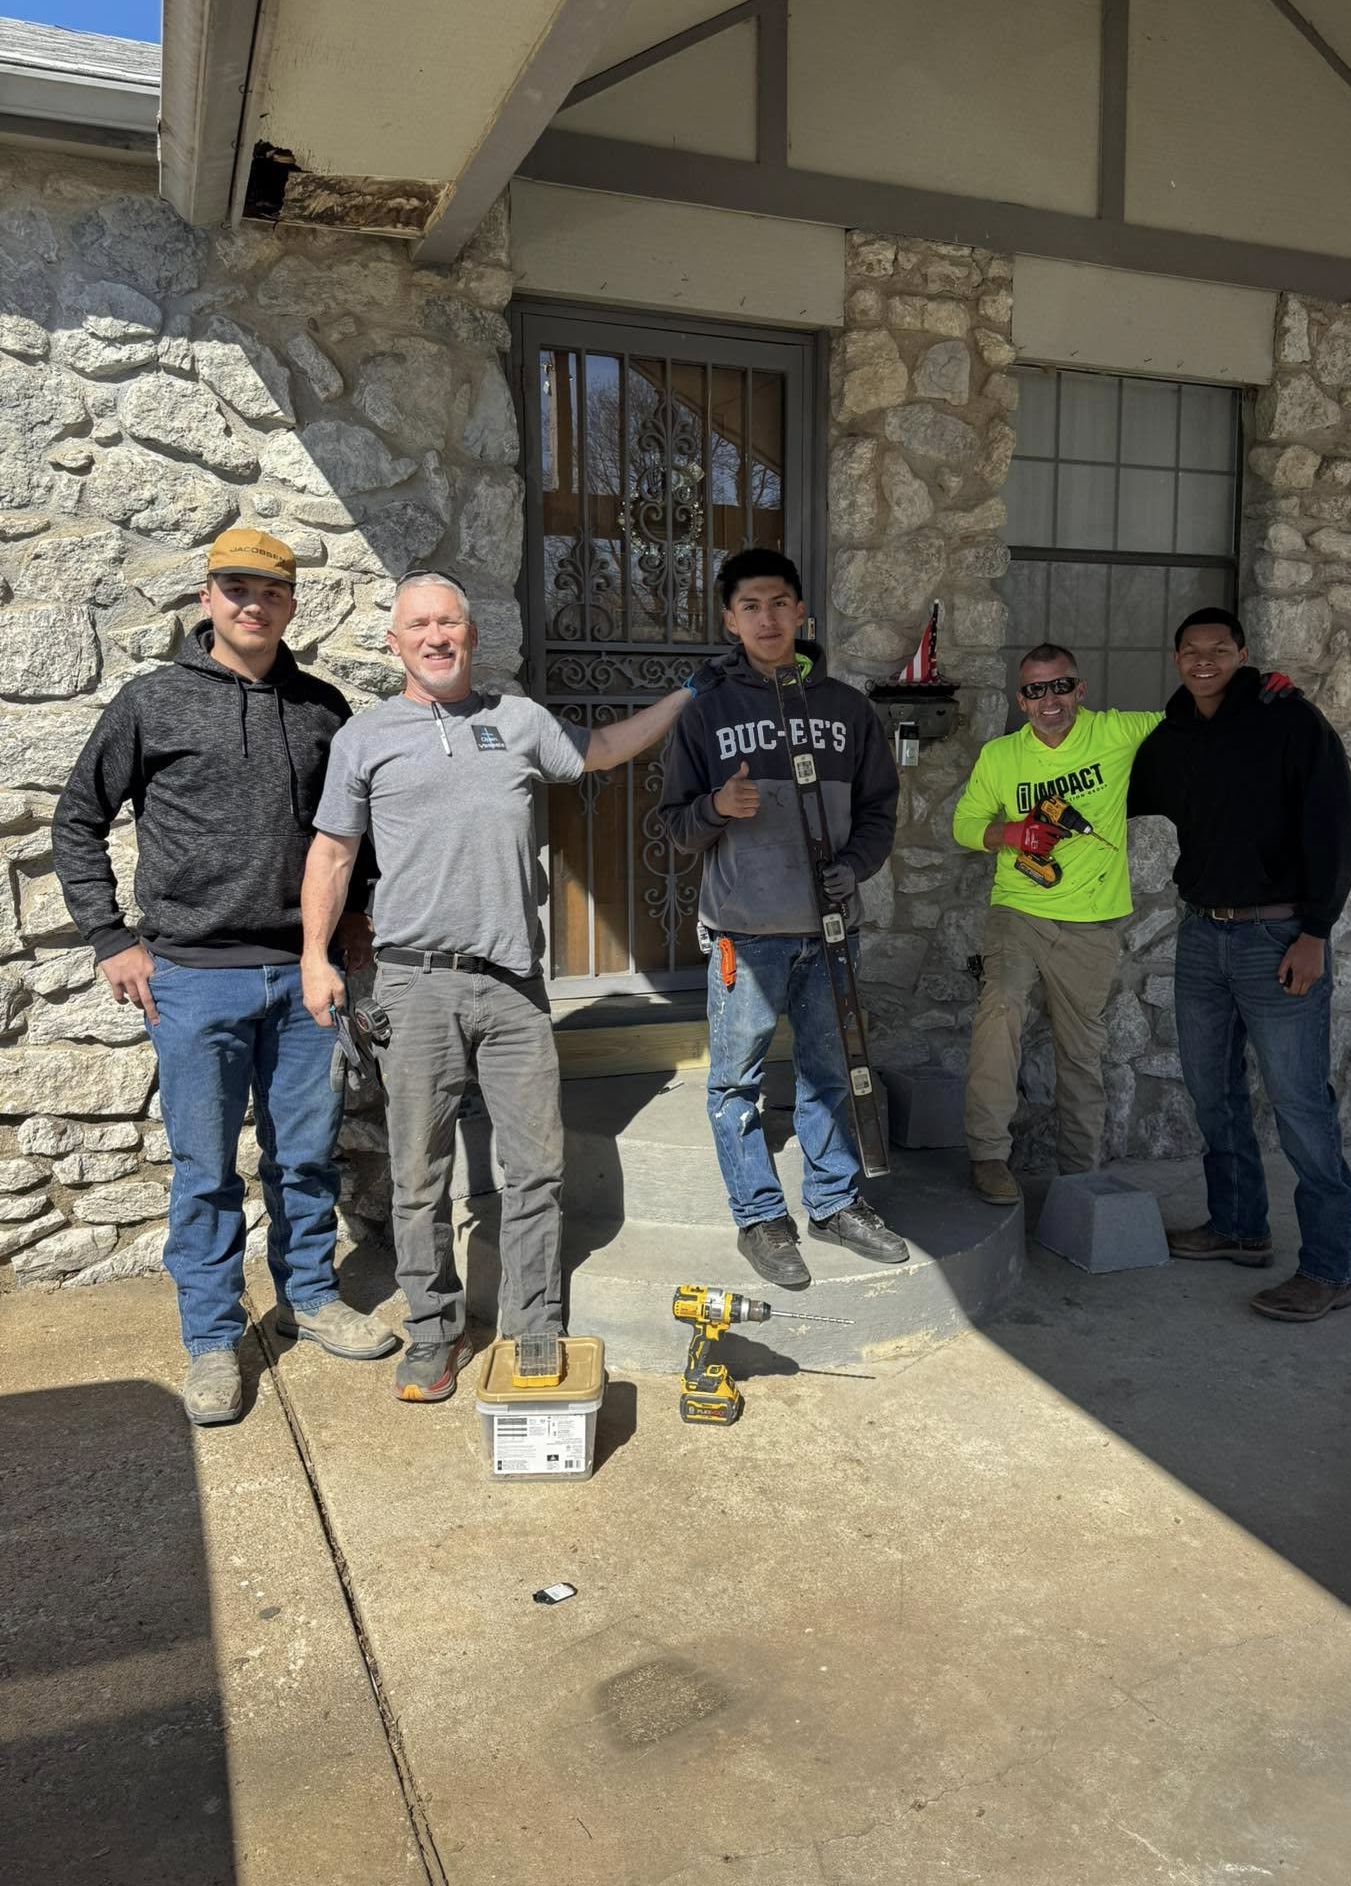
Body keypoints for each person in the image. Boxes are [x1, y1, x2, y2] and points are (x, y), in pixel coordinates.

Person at [300, 571, 721, 1403]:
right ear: (395, 643)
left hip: (515, 990)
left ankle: (533, 1326)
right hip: (416, 987)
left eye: (449, 622)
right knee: (419, 1175)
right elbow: (334, 852)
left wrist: (684, 694)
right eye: (418, 625)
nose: (435, 636)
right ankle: (434, 1334)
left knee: (536, 1169)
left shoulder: (519, 719)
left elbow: (599, 751)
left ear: (472, 635)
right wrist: (316, 955)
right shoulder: (366, 736)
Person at [54, 527, 391, 1428]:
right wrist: (110, 938)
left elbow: (351, 833)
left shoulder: (323, 708)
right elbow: (77, 820)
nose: (253, 603)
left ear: (290, 604)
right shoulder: (151, 702)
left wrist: (353, 910)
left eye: (271, 591)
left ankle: (311, 1298)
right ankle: (211, 1341)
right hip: (192, 979)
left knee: (307, 1155)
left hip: (302, 976)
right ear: (208, 598)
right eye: (236, 588)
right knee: (206, 1170)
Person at [659, 547, 906, 1290]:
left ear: (801, 611)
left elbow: (879, 810)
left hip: (831, 930)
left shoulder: (847, 709)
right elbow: (674, 822)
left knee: (830, 1070)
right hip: (745, 933)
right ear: (730, 622)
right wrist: (715, 809)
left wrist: (856, 865)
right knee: (735, 1082)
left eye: (779, 603)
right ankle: (760, 1216)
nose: (767, 619)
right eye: (750, 607)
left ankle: (833, 1202)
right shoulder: (707, 714)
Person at [1128, 607, 1351, 1322]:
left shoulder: (1288, 720)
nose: (1205, 662)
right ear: (1176, 660)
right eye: (1192, 652)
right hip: (1203, 935)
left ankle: (1328, 1269)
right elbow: (1122, 794)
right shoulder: (1174, 734)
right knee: (1211, 1092)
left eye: (1219, 650)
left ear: (1243, 654)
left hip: (1277, 936)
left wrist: (1315, 932)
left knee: (1299, 1105)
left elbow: (1335, 827)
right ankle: (1237, 1227)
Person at [953, 645, 1165, 1203]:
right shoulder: (1001, 756)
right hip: (1019, 911)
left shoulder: (1117, 732)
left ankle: (1079, 1177)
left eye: (1060, 686)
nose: (1050, 700)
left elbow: (1194, 717)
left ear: (1080, 689)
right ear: (1020, 700)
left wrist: (1255, 692)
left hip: (1092, 925)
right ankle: (990, 1157)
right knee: (999, 1012)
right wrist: (1012, 834)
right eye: (1035, 690)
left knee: (1081, 1050)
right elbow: (965, 824)